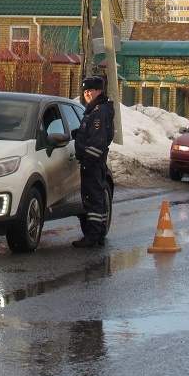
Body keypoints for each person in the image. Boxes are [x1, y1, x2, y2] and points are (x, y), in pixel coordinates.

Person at [72, 76, 115, 248]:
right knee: (97, 198)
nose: (87, 94)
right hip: (94, 162)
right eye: (85, 91)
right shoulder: (94, 110)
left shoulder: (98, 111)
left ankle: (92, 236)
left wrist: (88, 160)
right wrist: (79, 135)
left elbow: (98, 141)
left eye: (90, 91)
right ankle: (98, 235)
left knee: (93, 198)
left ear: (99, 91)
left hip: (93, 162)